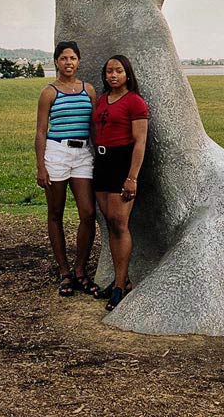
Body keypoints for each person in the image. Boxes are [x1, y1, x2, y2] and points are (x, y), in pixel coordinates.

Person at [35, 41, 100, 297]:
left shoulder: (89, 90)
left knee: (87, 213)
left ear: (79, 61)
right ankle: (64, 272)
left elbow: (94, 128)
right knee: (56, 213)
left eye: (72, 58)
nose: (68, 62)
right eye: (63, 58)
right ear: (56, 61)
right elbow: (40, 132)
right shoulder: (49, 92)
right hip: (57, 153)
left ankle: (80, 269)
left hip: (83, 153)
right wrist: (41, 166)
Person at [92, 54, 149, 311]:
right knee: (110, 222)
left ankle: (120, 286)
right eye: (109, 72)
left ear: (127, 74)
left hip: (122, 164)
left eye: (118, 71)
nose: (112, 75)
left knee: (119, 223)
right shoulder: (102, 100)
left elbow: (140, 142)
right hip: (102, 164)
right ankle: (119, 280)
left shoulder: (135, 103)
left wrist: (132, 177)